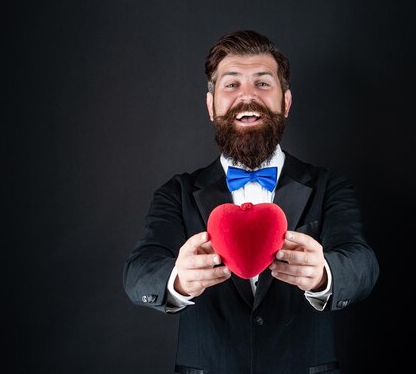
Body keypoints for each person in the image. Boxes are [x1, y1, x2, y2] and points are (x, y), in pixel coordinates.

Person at [123, 30, 379, 374]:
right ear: (211, 106)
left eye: (262, 83)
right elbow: (138, 274)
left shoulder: (329, 186)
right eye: (231, 85)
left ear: (285, 103)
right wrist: (177, 279)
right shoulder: (177, 192)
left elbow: (362, 264)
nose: (247, 97)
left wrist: (324, 274)